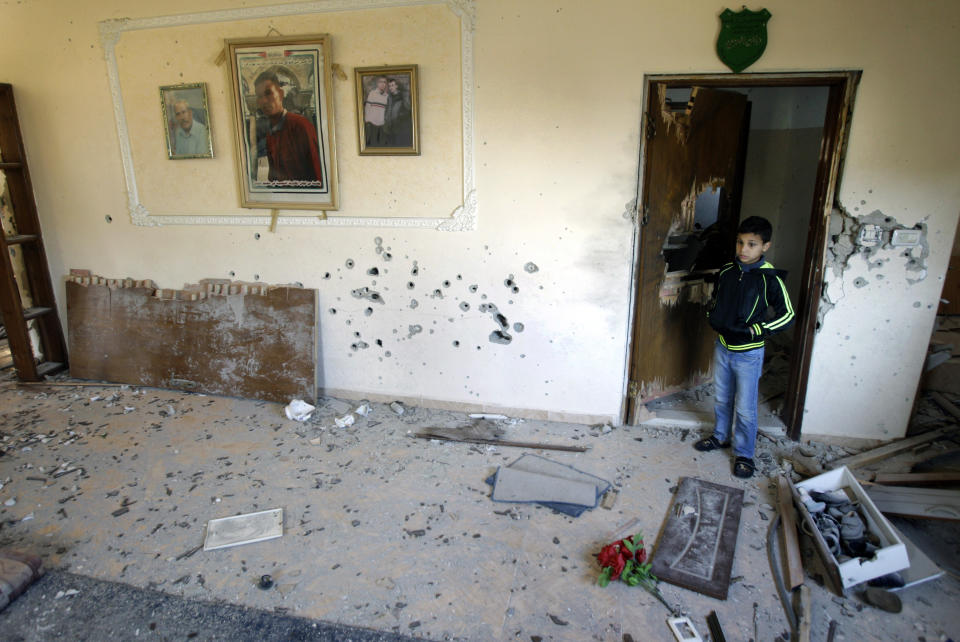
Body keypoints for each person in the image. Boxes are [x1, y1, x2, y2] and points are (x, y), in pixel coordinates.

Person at [694, 216, 795, 479]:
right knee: (721, 398)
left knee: (745, 407)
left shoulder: (770, 278)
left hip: (749, 353)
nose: (743, 250)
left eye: (752, 244)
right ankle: (720, 436)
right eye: (740, 243)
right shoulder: (728, 271)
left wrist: (757, 329)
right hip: (723, 347)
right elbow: (717, 300)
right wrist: (711, 315)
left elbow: (787, 315)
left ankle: (744, 454)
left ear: (765, 246)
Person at [253, 70, 323, 186]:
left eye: (268, 93)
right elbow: (273, 178)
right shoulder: (270, 133)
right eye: (260, 96)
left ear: (280, 94)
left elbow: (318, 176)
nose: (264, 101)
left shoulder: (301, 126)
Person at [383, 77, 412, 147]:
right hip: (390, 127)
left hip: (400, 128)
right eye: (389, 86)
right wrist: (386, 119)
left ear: (396, 86)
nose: (391, 87)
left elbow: (409, 109)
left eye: (392, 85)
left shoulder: (403, 96)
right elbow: (387, 110)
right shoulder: (389, 97)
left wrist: (400, 116)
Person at [363, 76, 389, 146]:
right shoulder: (372, 93)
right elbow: (368, 107)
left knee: (382, 144)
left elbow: (387, 110)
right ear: (377, 83)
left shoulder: (387, 96)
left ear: (386, 84)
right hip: (372, 123)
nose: (383, 84)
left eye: (384, 82)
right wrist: (367, 121)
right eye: (381, 82)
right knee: (373, 143)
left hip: (382, 123)